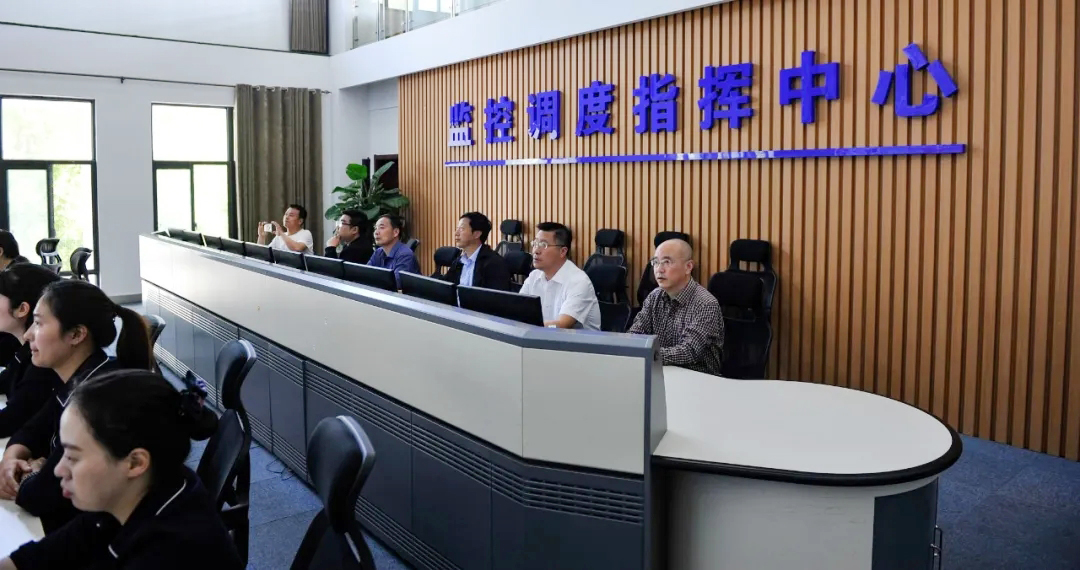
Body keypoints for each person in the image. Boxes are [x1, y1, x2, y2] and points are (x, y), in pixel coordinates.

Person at [2, 370, 242, 569]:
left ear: (135, 463)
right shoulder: (128, 494)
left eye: (73, 457)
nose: (58, 470)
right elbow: (37, 557)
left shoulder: (169, 552)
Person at [0, 280, 154, 533]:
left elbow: (39, 496)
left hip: (98, 534)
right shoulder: (80, 377)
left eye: (39, 323)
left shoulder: (96, 398)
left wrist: (34, 471)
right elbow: (32, 430)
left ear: (76, 335)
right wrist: (11, 458)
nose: (28, 335)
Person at [628, 239, 724, 376]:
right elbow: (636, 334)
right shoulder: (654, 297)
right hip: (660, 373)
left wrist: (647, 353)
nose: (659, 269)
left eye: (667, 262)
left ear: (688, 267)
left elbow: (689, 351)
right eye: (655, 262)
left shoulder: (705, 304)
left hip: (698, 379)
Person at [0, 265, 62, 438]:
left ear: (22, 309)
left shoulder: (41, 361)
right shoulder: (24, 350)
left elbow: (8, 422)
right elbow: (4, 381)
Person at [518, 222, 601, 330]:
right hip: (540, 337)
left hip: (573, 340)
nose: (536, 251)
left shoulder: (579, 282)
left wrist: (528, 326)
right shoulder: (534, 276)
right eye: (535, 243)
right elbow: (518, 311)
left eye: (543, 245)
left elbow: (561, 325)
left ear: (562, 251)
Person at [443, 212, 511, 290]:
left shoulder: (494, 264)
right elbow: (445, 287)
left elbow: (494, 296)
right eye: (457, 228)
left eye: (461, 229)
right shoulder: (459, 261)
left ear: (477, 234)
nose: (456, 233)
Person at [367, 215, 420, 288]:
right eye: (375, 228)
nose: (376, 232)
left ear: (396, 232)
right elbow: (366, 274)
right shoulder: (378, 252)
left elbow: (396, 284)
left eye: (382, 227)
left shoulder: (405, 254)